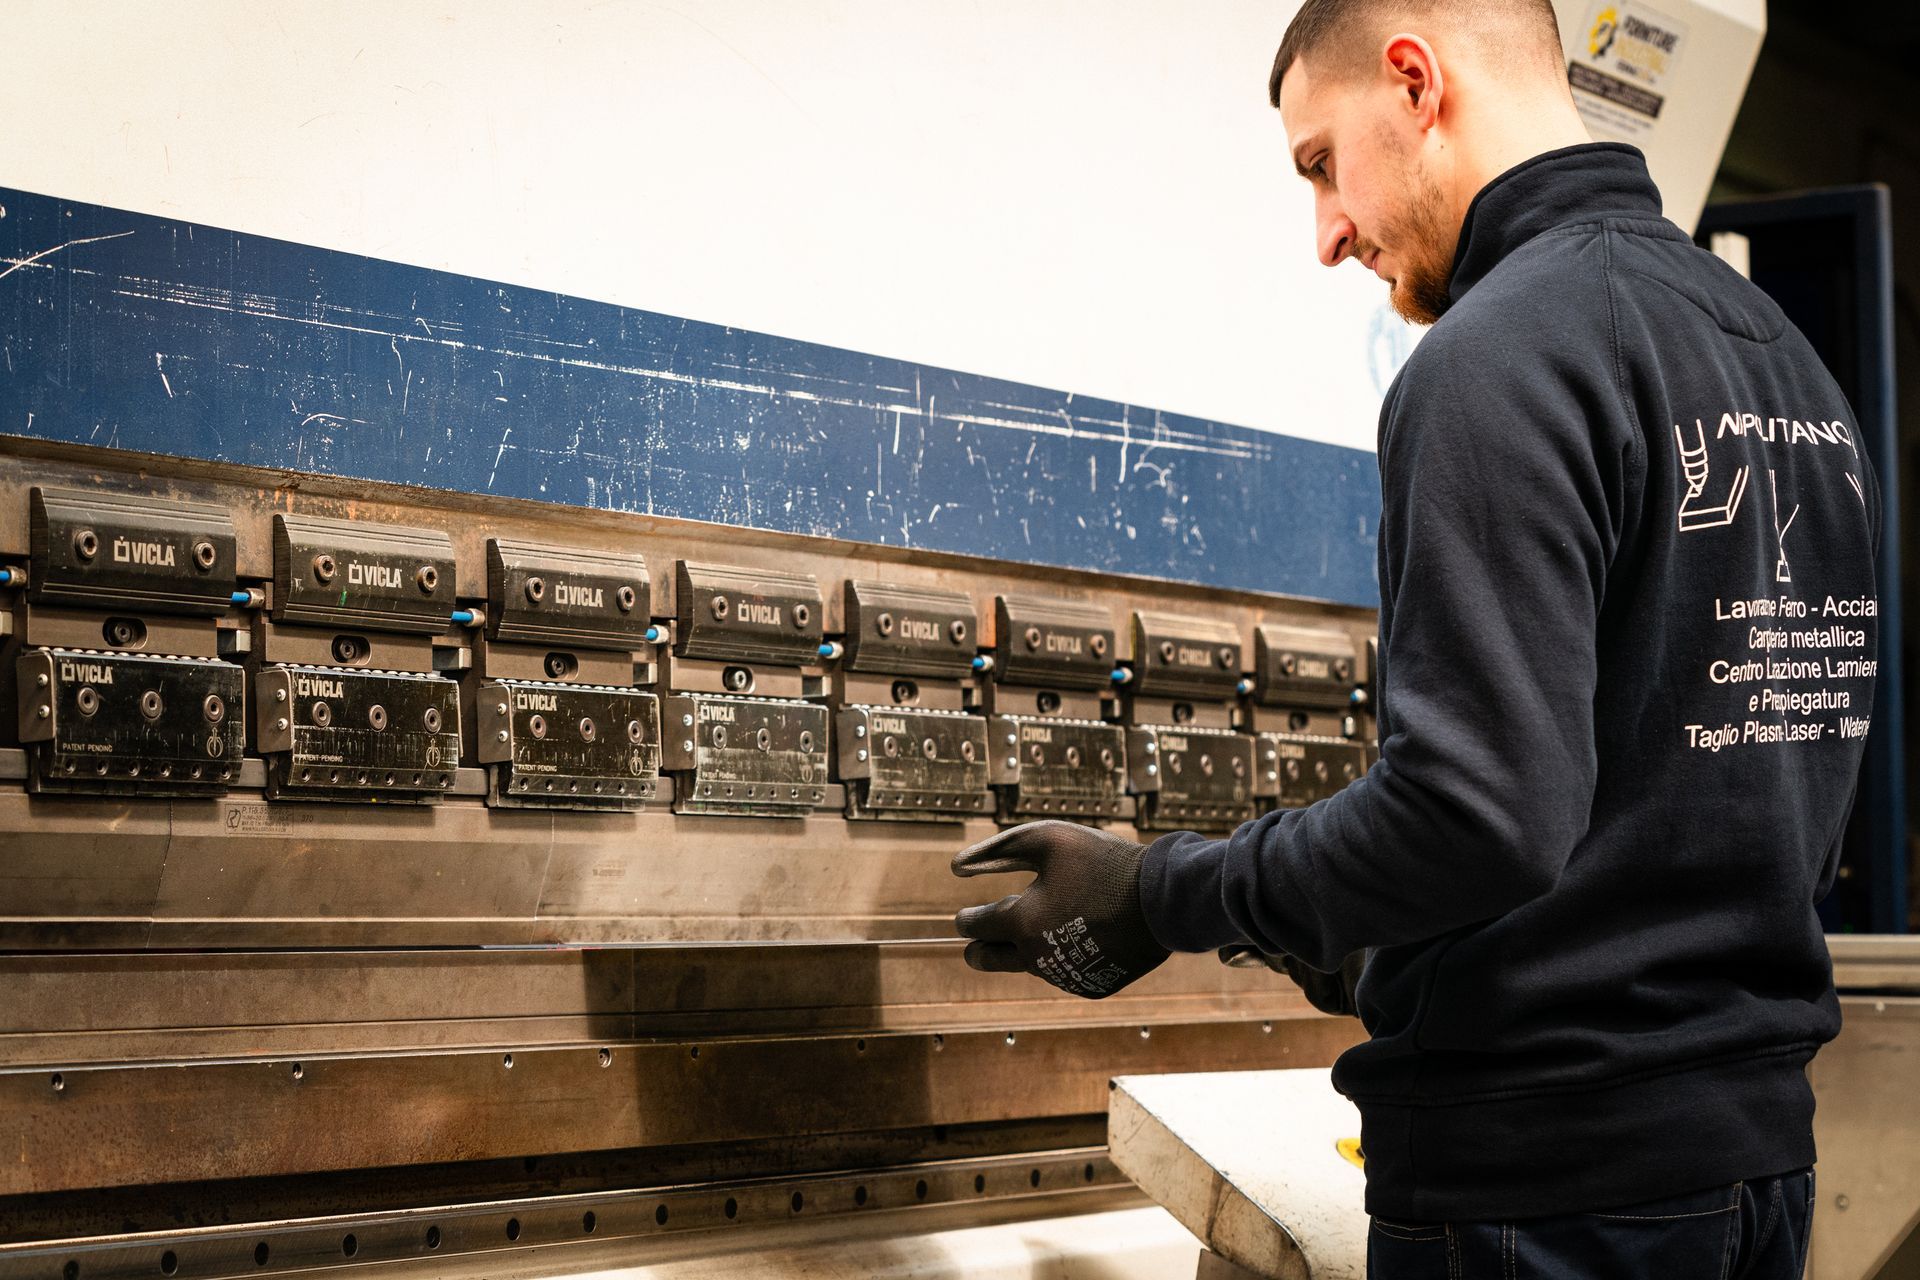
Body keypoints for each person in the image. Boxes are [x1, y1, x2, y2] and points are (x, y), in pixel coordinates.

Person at [951, 1, 1880, 1275]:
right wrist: (1378, 938)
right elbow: (1731, 804)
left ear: (1414, 82)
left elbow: (1478, 815)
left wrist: (1161, 891)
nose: (1328, 233)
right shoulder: (1791, 372)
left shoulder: (1497, 357)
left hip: (1540, 1197)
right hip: (1753, 1179)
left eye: (1321, 163)